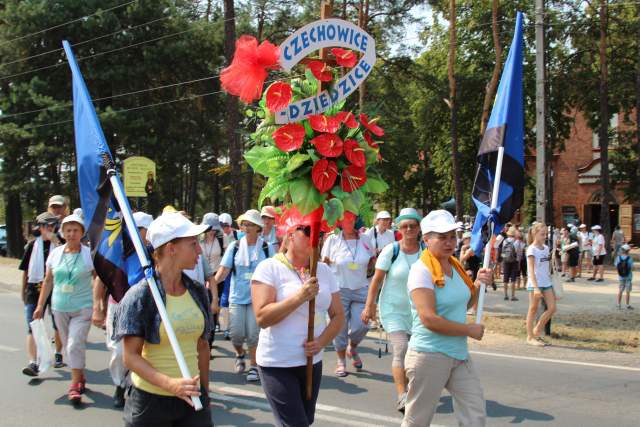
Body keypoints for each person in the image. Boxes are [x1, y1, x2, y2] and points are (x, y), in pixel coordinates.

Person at [113, 212, 213, 426]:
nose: (199, 250)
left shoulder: (198, 291)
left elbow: (202, 346)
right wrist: (171, 385)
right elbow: (130, 357)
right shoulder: (141, 295)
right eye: (193, 244)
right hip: (150, 403)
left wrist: (205, 392)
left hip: (193, 400)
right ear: (171, 248)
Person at [251, 212, 345, 427]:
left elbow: (338, 316)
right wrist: (300, 296)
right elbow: (262, 318)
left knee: (305, 420)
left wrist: (321, 342)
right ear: (291, 234)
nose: (316, 238)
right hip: (277, 363)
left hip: (313, 362)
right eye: (309, 231)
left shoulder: (324, 270)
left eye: (320, 233)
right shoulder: (269, 268)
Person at [402, 210, 491, 427]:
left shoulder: (455, 266)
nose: (449, 242)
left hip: (458, 354)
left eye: (452, 236)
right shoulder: (420, 270)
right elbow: (429, 319)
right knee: (418, 421)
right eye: (442, 237)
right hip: (429, 354)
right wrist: (468, 330)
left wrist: (478, 285)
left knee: (475, 413)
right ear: (426, 239)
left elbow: (464, 303)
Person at [362, 208, 422, 413]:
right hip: (393, 309)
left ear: (419, 228)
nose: (408, 229)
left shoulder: (426, 252)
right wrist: (369, 305)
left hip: (419, 312)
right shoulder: (391, 250)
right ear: (399, 228)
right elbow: (377, 280)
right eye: (404, 226)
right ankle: (402, 395)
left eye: (412, 226)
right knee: (401, 348)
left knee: (417, 354)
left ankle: (413, 388)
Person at [92, 211, 154, 408]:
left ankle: (133, 386)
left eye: (141, 230)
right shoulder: (117, 252)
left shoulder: (154, 253)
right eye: (133, 229)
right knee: (119, 351)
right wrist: (97, 307)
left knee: (144, 351)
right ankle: (119, 383)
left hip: (145, 309)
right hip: (118, 308)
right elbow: (101, 280)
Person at [33, 214, 96, 404]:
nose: (71, 234)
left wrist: (99, 304)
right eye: (68, 230)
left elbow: (98, 279)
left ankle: (74, 385)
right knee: (72, 346)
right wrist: (39, 306)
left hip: (83, 307)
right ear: (63, 232)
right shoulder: (55, 254)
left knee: (74, 344)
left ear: (82, 233)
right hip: (59, 307)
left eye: (76, 230)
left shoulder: (89, 254)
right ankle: (80, 376)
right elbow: (48, 280)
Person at [213, 209, 276, 382]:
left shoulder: (266, 247)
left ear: (258, 228)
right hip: (237, 298)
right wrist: (210, 285)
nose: (246, 228)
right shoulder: (235, 246)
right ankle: (240, 354)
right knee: (236, 334)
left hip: (258, 300)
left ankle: (254, 366)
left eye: (250, 225)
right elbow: (224, 270)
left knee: (254, 334)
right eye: (244, 224)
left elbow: (275, 271)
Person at [321, 211, 375, 377]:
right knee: (340, 327)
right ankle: (341, 361)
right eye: (346, 219)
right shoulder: (332, 240)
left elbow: (372, 260)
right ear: (339, 222)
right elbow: (323, 263)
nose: (350, 222)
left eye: (352, 219)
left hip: (361, 288)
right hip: (339, 289)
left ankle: (353, 347)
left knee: (363, 325)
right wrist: (328, 263)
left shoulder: (365, 239)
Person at [19, 212, 64, 376]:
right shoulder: (32, 246)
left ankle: (58, 354)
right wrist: (23, 290)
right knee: (33, 325)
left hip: (57, 288)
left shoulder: (61, 245)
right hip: (34, 288)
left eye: (51, 226)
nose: (48, 229)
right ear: (40, 227)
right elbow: (25, 270)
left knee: (57, 324)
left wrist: (56, 241)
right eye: (45, 226)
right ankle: (33, 362)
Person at [525, 223, 556, 347]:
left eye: (546, 234)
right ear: (535, 234)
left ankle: (537, 330)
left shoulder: (546, 248)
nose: (545, 236)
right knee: (532, 309)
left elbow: (547, 267)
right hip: (535, 284)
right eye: (542, 234)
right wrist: (536, 288)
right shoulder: (531, 249)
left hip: (546, 282)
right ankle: (530, 336)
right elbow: (531, 271)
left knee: (552, 308)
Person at [501, 227, 519, 301]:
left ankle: (505, 295)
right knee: (513, 279)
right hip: (514, 262)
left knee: (505, 279)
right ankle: (513, 296)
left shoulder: (504, 241)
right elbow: (518, 252)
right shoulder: (516, 242)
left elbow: (502, 252)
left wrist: (503, 260)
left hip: (506, 262)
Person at [615, 244, 634, 310]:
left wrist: (619, 274)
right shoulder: (630, 258)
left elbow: (617, 267)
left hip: (621, 277)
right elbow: (631, 268)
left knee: (620, 290)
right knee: (628, 291)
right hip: (628, 277)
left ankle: (618, 304)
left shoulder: (618, 258)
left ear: (622, 250)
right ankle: (627, 305)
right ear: (628, 251)